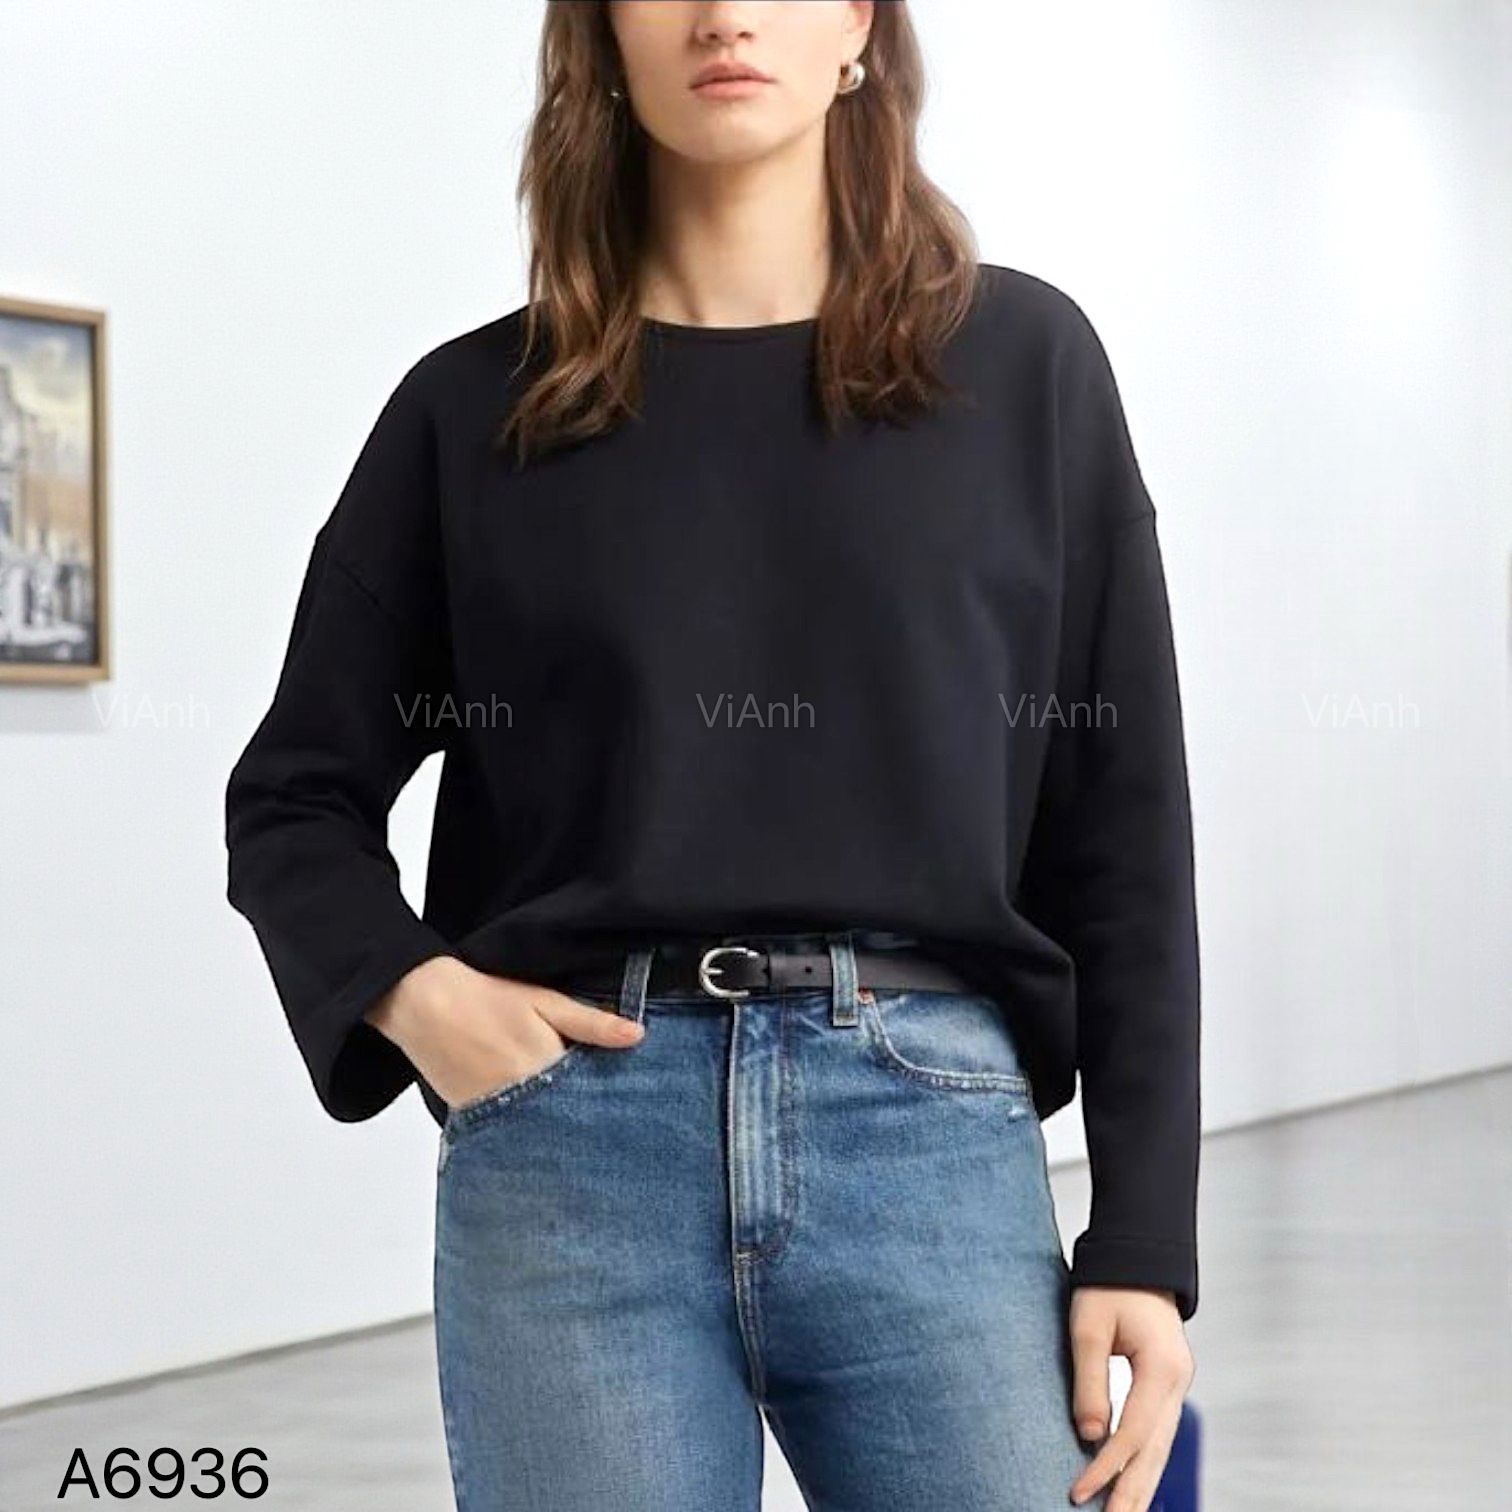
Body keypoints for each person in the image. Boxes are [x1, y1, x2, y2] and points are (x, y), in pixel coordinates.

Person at [223, 3, 1200, 1508]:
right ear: (601, 38)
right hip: (570, 1159)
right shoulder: (472, 414)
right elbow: (294, 795)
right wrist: (421, 1000)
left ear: (858, 26)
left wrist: (1143, 1234)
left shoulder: (1026, 369)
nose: (725, 13)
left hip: (927, 1139)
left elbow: (1123, 829)